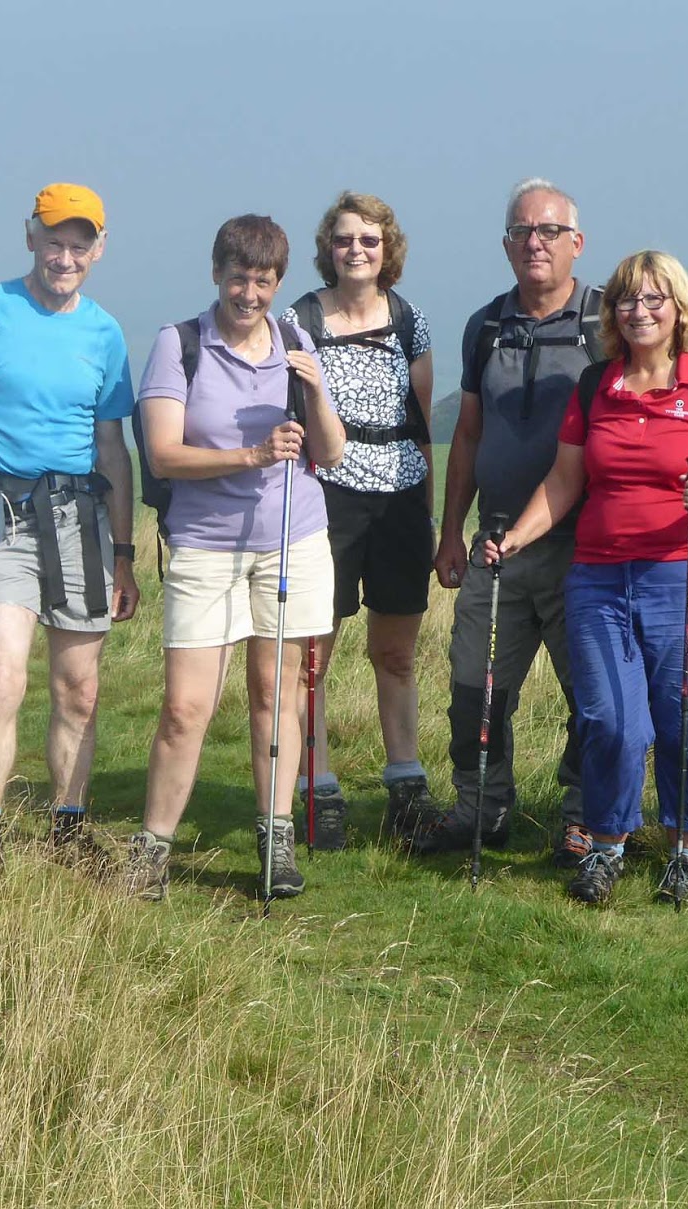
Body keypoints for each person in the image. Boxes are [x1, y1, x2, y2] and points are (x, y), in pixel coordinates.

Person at [484, 251, 688, 904]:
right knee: (609, 718)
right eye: (627, 301)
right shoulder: (596, 386)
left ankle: (687, 850)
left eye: (653, 298)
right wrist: (514, 539)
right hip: (600, 579)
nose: (639, 311)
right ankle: (607, 844)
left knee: (686, 717)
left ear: (679, 307)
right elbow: (563, 480)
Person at [126, 215, 345, 902]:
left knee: (275, 694)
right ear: (216, 272)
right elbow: (162, 453)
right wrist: (250, 455)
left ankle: (274, 838)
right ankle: (152, 847)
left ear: (279, 283)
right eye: (239, 276)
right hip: (206, 545)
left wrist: (312, 388)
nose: (249, 293)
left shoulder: (297, 340)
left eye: (263, 280)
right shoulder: (179, 344)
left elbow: (331, 454)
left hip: (293, 538)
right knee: (186, 707)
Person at [0, 182, 139, 883]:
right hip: (0, 520)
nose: (66, 255)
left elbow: (113, 449)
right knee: (3, 677)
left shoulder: (105, 333)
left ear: (100, 249)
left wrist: (124, 554)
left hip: (79, 520)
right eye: (54, 240)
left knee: (79, 688)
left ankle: (67, 828)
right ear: (30, 237)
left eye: (81, 243)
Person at [420, 177, 602, 866]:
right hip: (495, 542)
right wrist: (448, 534)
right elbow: (467, 435)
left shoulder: (604, 322)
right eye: (523, 231)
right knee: (475, 689)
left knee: (591, 693)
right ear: (505, 244)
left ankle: (584, 818)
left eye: (550, 231)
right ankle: (481, 809)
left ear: (576, 243)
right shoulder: (485, 325)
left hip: (582, 548)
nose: (535, 242)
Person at [281, 192, 435, 850]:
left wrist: (432, 517)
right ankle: (317, 785)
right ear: (328, 247)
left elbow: (421, 423)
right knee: (316, 654)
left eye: (369, 240)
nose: (356, 250)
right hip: (328, 495)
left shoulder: (409, 321)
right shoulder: (301, 319)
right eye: (345, 239)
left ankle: (406, 785)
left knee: (396, 653)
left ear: (387, 247)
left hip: (401, 496)